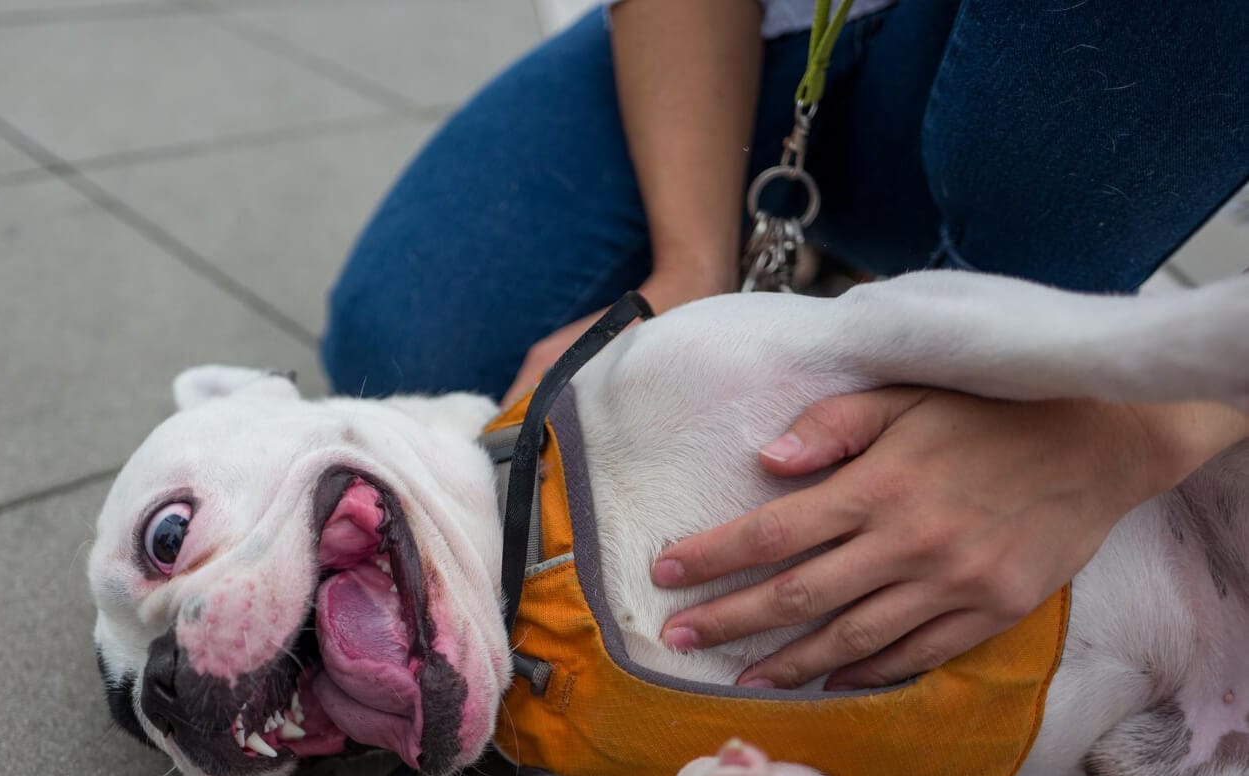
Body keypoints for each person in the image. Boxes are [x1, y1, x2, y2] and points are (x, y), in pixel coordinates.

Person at [321, 0, 1249, 689]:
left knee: (1040, 101)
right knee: (408, 342)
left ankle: (1001, 278)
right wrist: (687, 269)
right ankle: (826, 262)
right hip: (789, 37)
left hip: (1070, 68)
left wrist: (1131, 434)